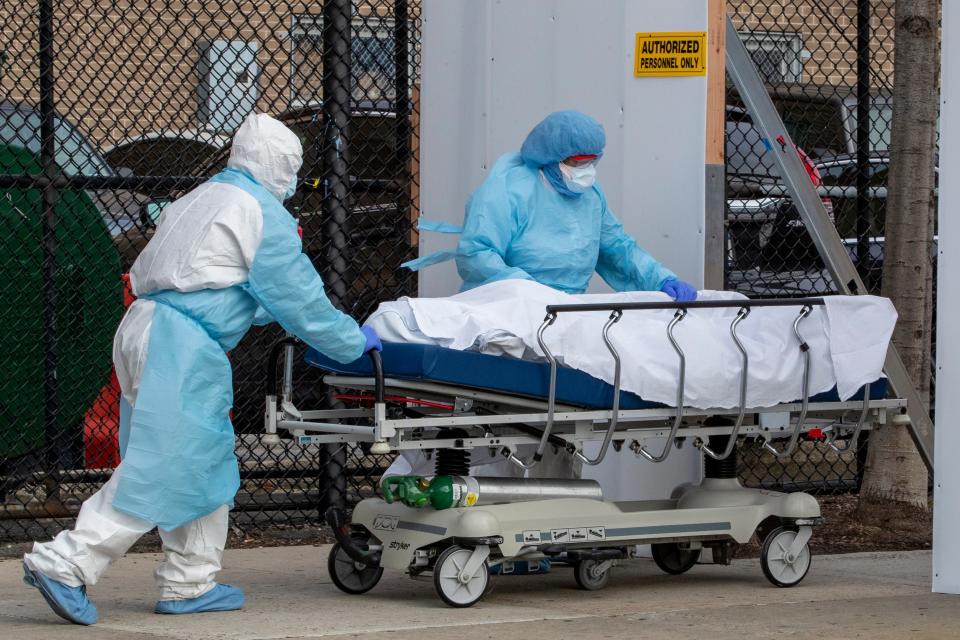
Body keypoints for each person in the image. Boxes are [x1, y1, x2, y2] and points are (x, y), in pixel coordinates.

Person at [21, 113, 382, 625]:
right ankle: (66, 562)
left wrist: (270, 308)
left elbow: (212, 279)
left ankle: (191, 581)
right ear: (283, 166)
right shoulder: (262, 212)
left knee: (201, 459)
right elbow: (301, 299)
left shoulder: (200, 197)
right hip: (183, 345)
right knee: (165, 463)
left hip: (146, 326)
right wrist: (353, 343)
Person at [456, 109, 697, 301]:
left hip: (566, 312)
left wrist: (661, 280)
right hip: (505, 309)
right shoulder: (508, 192)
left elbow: (617, 248)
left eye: (592, 162)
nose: (587, 171)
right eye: (578, 162)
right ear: (550, 157)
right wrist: (525, 290)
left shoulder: (591, 197)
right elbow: (477, 254)